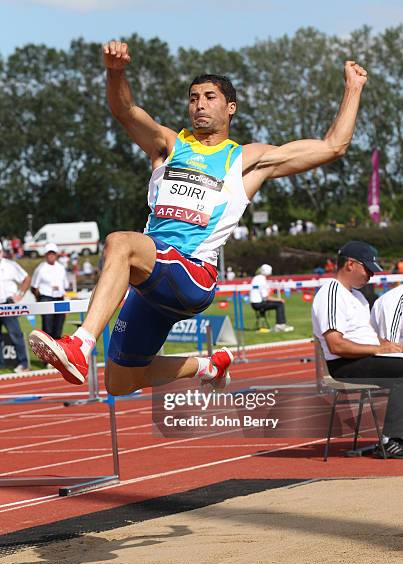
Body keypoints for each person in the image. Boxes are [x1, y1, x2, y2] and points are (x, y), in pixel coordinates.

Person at [29, 40, 369, 396]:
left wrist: (353, 88)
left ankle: (81, 344)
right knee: (120, 380)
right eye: (193, 98)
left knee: (119, 242)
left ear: (230, 107)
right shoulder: (169, 145)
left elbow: (333, 146)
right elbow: (126, 111)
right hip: (151, 280)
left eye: (209, 97)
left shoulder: (245, 160)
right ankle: (210, 364)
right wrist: (115, 72)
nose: (199, 104)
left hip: (193, 274)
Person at [312, 240, 403, 458]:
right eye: (368, 269)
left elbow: (369, 335)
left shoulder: (358, 296)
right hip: (346, 364)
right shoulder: (331, 293)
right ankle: (393, 440)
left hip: (363, 359)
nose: (371, 275)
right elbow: (336, 344)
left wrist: (388, 346)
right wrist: (376, 349)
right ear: (350, 264)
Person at [0, 241, 31, 373]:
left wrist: (20, 294)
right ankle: (1, 365)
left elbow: (26, 278)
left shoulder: (11, 265)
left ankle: (23, 363)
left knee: (15, 334)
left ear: (1, 252)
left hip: (8, 304)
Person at [31, 243, 69, 344]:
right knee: (47, 331)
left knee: (58, 330)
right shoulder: (40, 269)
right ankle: (46, 358)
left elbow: (65, 285)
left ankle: (56, 357)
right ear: (45, 255)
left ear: (56, 254)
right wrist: (39, 299)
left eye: (53, 253)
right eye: (49, 253)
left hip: (60, 299)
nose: (51, 255)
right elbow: (34, 287)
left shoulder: (61, 268)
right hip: (46, 298)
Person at [249, 264, 294, 332]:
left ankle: (280, 325)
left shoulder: (256, 278)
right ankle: (280, 325)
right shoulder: (262, 279)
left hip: (253, 303)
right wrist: (279, 299)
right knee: (280, 304)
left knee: (278, 303)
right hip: (258, 303)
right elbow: (266, 297)